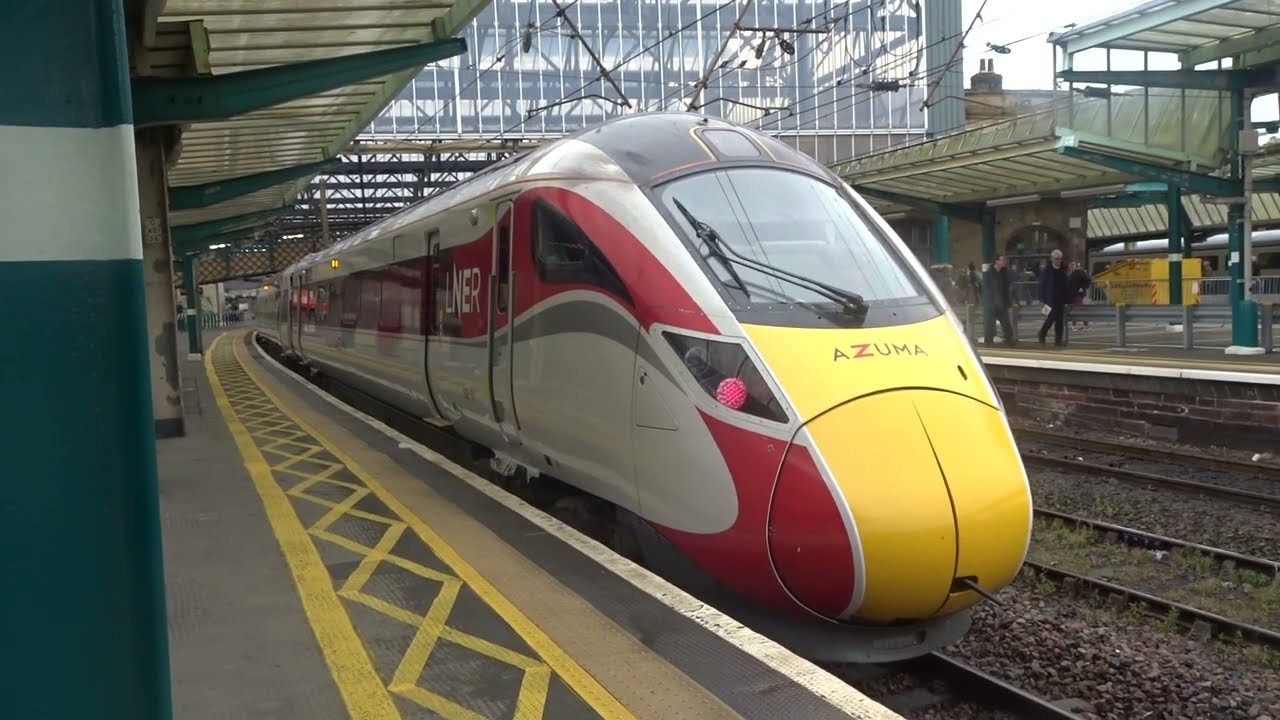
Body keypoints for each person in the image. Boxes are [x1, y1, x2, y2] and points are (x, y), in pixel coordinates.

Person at [1037, 249, 1071, 346]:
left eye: (1060, 258)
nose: (1058, 260)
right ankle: (1042, 334)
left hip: (1061, 299)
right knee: (1051, 318)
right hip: (1050, 299)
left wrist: (1068, 299)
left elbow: (1066, 285)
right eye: (1056, 259)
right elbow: (1041, 285)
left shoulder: (1063, 269)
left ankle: (1058, 340)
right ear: (1052, 259)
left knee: (1059, 320)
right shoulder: (1047, 271)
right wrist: (1041, 299)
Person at [983, 254, 1016, 346]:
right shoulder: (989, 273)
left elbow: (1008, 287)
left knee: (1006, 322)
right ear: (996, 261)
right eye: (1002, 260)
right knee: (990, 323)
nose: (1004, 262)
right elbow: (986, 288)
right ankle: (988, 341)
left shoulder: (1004, 273)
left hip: (1002, 302)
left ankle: (1009, 339)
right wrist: (989, 300)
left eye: (1004, 260)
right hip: (992, 302)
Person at [1067, 261, 1091, 330]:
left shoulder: (1080, 272)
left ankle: (1083, 324)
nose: (1072, 267)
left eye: (1073, 266)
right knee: (1075, 309)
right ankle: (1078, 324)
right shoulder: (1071, 274)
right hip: (1072, 294)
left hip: (1077, 294)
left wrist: (1082, 287)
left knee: (1079, 308)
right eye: (1071, 266)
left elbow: (1088, 280)